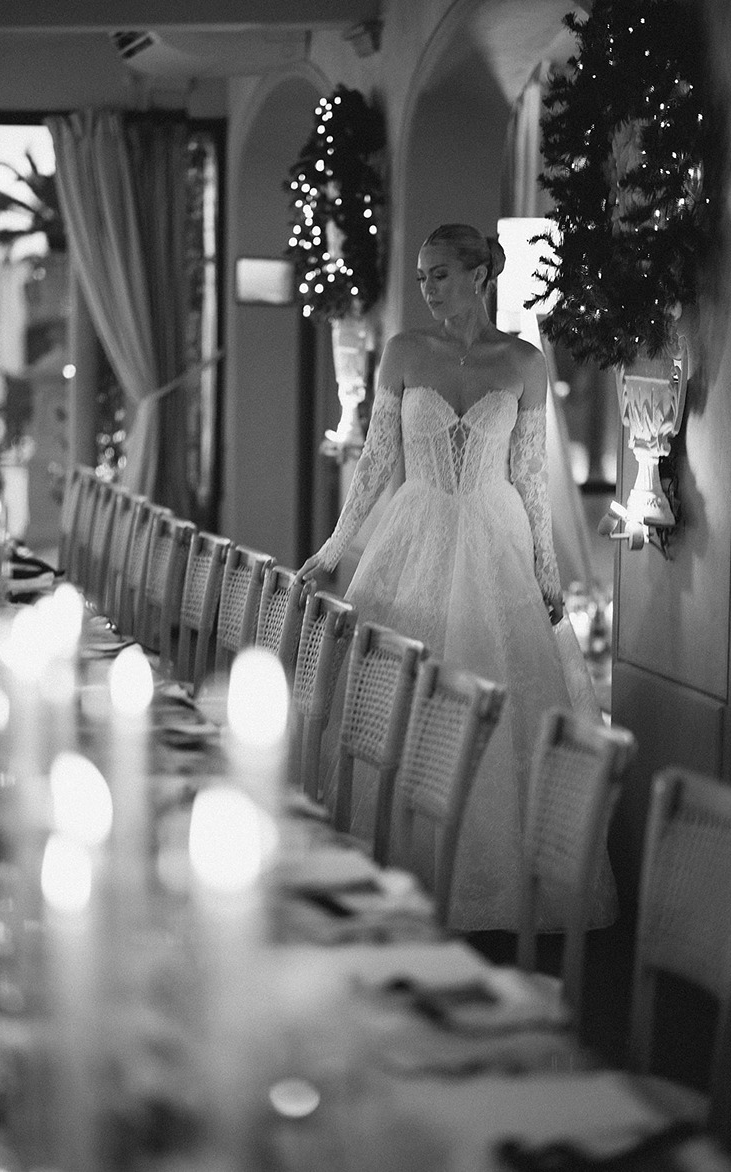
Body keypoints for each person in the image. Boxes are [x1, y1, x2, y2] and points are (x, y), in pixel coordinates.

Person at [298, 223, 615, 932]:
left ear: (478, 275)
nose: (427, 289)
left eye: (438, 274)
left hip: (495, 534)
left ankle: (488, 881)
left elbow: (530, 478)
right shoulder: (405, 352)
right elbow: (377, 462)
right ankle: (393, 867)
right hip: (416, 533)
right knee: (398, 694)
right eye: (421, 276)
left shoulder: (525, 363)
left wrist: (546, 572)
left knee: (499, 697)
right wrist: (335, 547)